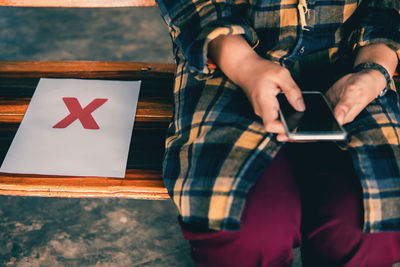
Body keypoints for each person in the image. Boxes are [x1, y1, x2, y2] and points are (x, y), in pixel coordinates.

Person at [156, 0, 400, 266]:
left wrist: (375, 69)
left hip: (354, 63)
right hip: (228, 62)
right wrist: (242, 62)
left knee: (372, 225)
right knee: (242, 229)